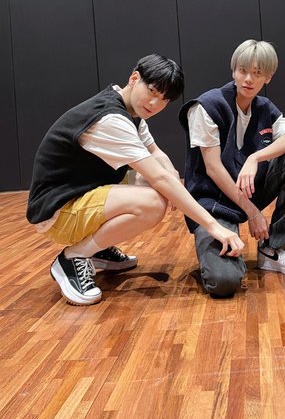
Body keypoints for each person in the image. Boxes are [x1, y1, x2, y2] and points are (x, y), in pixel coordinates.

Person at [27, 54, 244, 306]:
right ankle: (73, 257)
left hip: (77, 194)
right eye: (152, 91)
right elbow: (158, 177)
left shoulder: (129, 110)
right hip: (58, 212)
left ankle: (96, 248)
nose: (155, 103)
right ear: (134, 78)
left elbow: (156, 153)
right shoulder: (110, 119)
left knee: (155, 183)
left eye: (164, 99)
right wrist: (213, 226)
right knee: (153, 201)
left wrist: (172, 175)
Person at [179, 39, 285, 298]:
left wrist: (255, 158)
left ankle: (274, 248)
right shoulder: (206, 106)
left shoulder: (265, 107)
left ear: (268, 77)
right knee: (224, 282)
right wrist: (253, 212)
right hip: (213, 202)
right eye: (243, 71)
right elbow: (213, 168)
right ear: (234, 70)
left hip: (248, 189)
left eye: (257, 73)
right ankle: (225, 256)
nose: (249, 79)